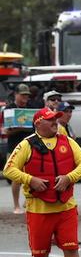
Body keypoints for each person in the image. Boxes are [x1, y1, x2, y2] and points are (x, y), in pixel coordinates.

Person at [2, 107, 81, 257]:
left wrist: (69, 177)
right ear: (38, 123)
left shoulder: (68, 141)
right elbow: (8, 170)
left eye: (56, 119)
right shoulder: (26, 144)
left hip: (66, 207)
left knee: (71, 248)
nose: (55, 122)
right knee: (40, 254)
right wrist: (30, 180)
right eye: (50, 119)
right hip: (38, 210)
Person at [6, 84, 33, 213]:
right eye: (23, 95)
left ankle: (27, 201)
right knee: (16, 177)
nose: (25, 98)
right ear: (16, 94)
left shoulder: (31, 108)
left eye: (27, 95)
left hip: (30, 146)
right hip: (15, 146)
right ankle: (16, 205)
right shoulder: (9, 109)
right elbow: (7, 131)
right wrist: (21, 128)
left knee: (31, 174)